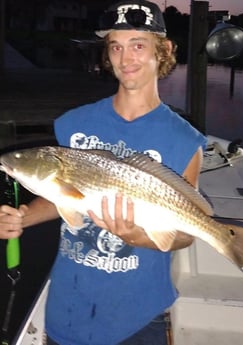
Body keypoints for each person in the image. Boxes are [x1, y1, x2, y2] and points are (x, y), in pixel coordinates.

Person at [0, 1, 207, 344]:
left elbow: (186, 231)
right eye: (116, 46)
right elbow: (64, 195)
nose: (126, 59)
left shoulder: (186, 140)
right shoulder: (73, 123)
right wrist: (24, 217)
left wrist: (136, 236)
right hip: (68, 308)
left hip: (138, 317)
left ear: (164, 50)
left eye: (138, 45)